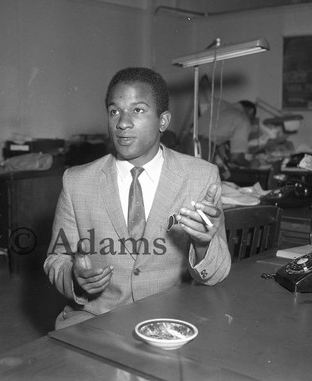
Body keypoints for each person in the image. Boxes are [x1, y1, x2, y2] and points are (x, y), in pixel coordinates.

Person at [44, 67, 231, 330]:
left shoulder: (201, 177)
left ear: (163, 121)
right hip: (96, 321)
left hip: (172, 321)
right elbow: (57, 259)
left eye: (138, 110)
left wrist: (203, 244)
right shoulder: (76, 181)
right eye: (114, 111)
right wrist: (75, 278)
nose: (122, 122)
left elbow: (217, 274)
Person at [197, 75, 258, 168]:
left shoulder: (219, 103)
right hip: (202, 148)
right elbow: (236, 158)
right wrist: (252, 164)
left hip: (188, 141)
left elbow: (216, 137)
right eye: (252, 118)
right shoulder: (243, 119)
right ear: (250, 111)